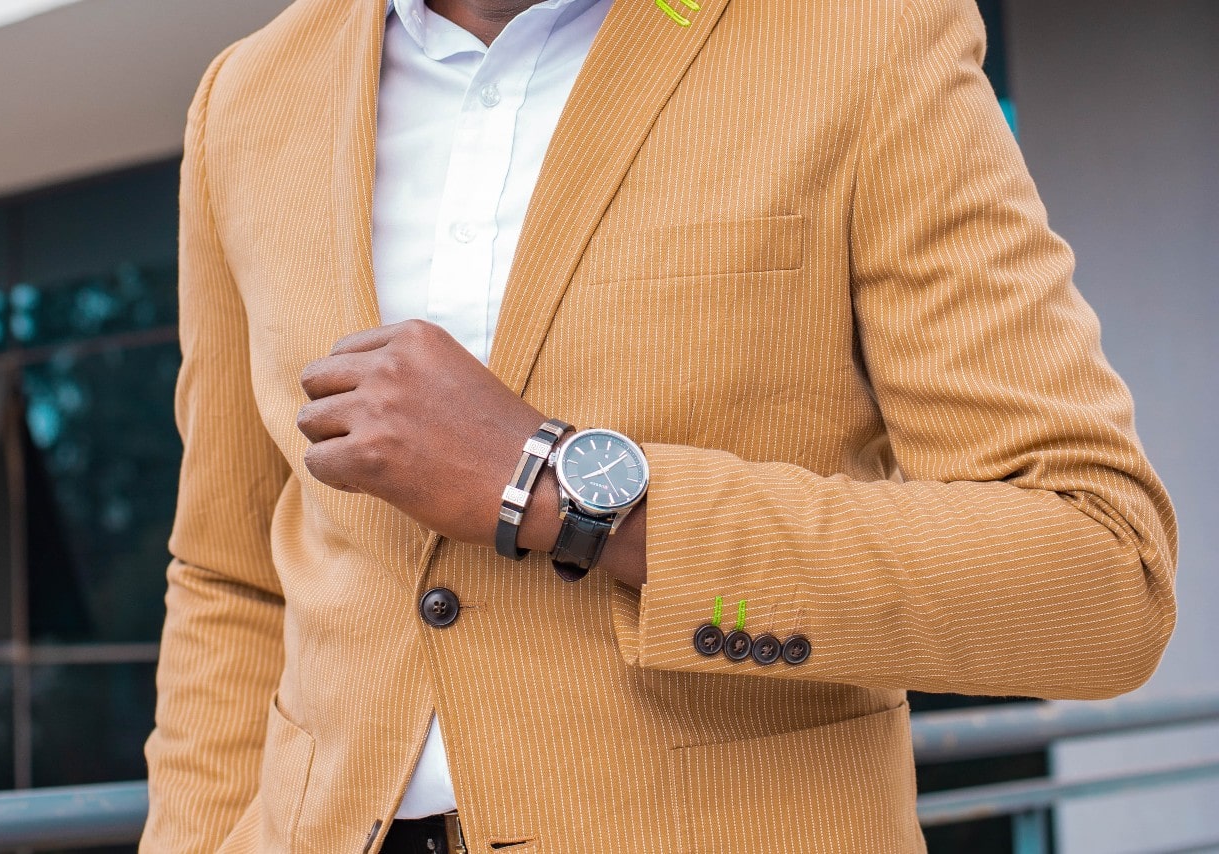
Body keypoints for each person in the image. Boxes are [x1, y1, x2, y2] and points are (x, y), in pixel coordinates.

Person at [141, 0, 1177, 850]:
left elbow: (1096, 571)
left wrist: (558, 486)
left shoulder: (855, 35)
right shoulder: (247, 95)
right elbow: (229, 575)